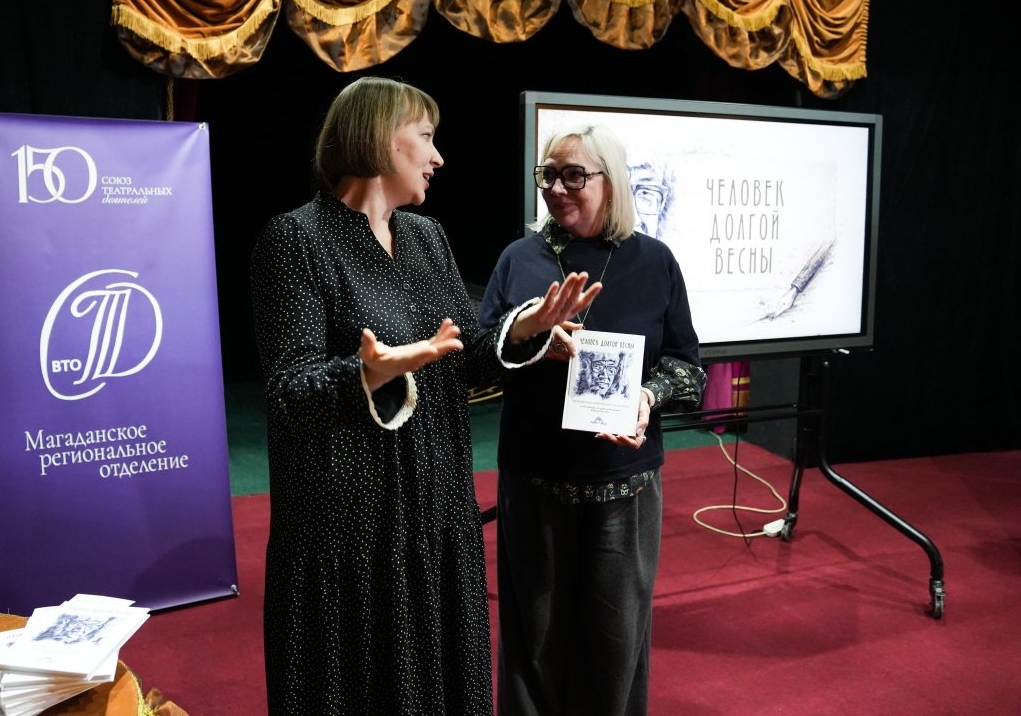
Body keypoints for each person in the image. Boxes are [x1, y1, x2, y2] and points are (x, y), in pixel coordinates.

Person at [250, 76, 601, 716]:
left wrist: (525, 329)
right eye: (426, 137)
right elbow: (290, 393)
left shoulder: (425, 237)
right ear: (381, 138)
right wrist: (368, 373)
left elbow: (461, 354)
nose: (438, 157)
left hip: (435, 510)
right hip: (349, 530)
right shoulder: (296, 240)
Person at [479, 123, 707, 716]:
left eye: (574, 175)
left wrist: (648, 397)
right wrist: (530, 337)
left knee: (616, 646)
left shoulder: (654, 261)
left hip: (624, 485)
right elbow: (481, 357)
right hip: (534, 478)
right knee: (532, 645)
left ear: (611, 181)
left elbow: (688, 368)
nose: (556, 188)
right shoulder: (519, 259)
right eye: (548, 175)